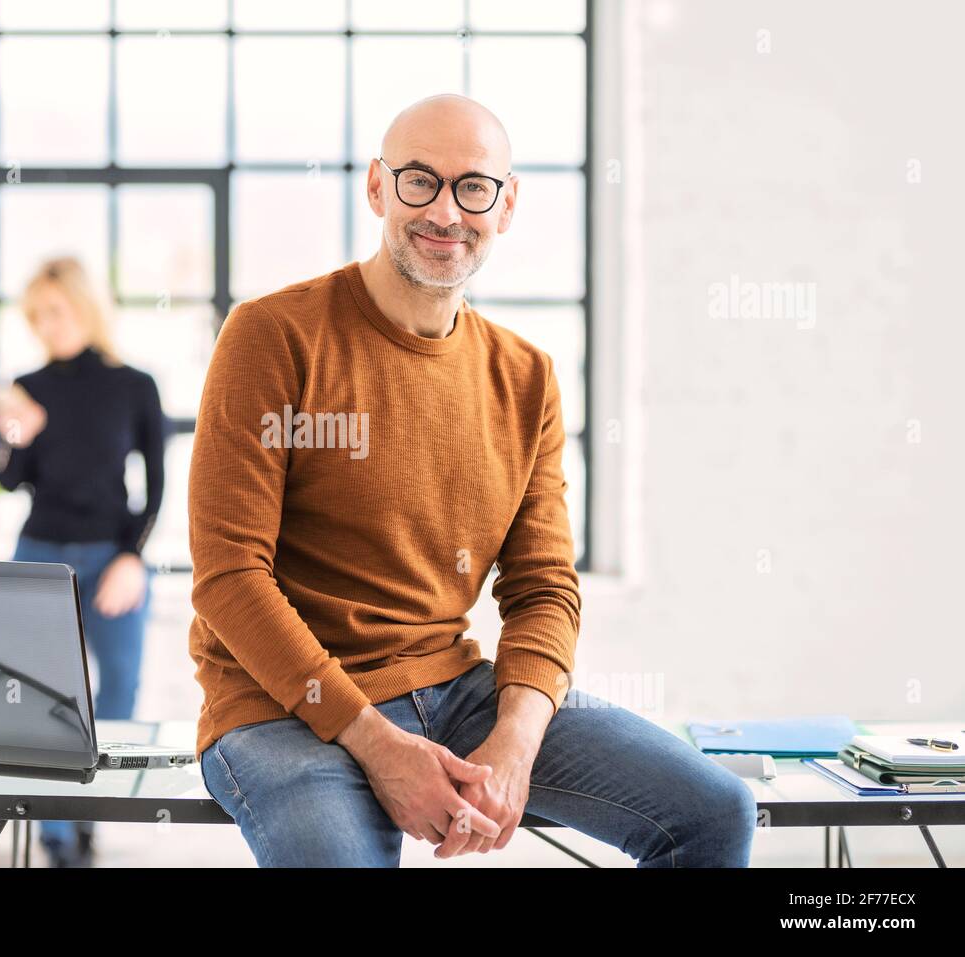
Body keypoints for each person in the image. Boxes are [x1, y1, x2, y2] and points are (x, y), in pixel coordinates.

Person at [188, 94, 758, 866]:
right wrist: (377, 743)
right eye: (419, 181)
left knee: (716, 811)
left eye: (473, 187)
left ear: (507, 202)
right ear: (377, 188)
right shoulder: (272, 335)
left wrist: (514, 745)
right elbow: (229, 579)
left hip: (452, 689)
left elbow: (544, 587)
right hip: (281, 706)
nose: (446, 212)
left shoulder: (526, 377)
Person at [0, 256, 166, 867]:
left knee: (121, 684)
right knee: (46, 694)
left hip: (110, 556)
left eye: (56, 311)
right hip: (39, 555)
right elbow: (11, 481)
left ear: (86, 307)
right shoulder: (28, 387)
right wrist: (15, 436)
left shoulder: (135, 386)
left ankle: (88, 806)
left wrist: (131, 558)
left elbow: (158, 488)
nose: (46, 325)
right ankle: (58, 832)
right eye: (36, 316)